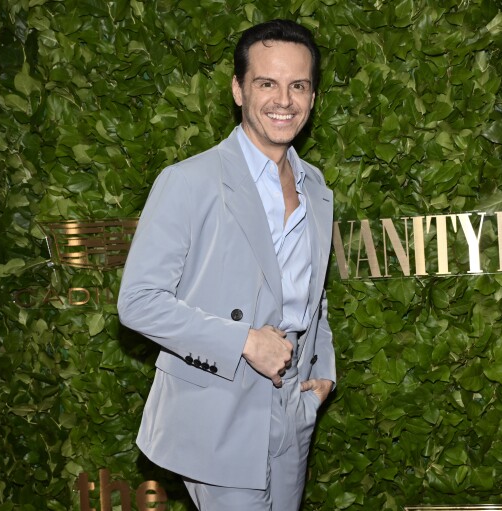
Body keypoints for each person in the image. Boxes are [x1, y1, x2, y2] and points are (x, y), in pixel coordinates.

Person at [117, 18, 335, 511]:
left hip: (293, 406)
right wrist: (244, 342)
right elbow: (138, 302)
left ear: (313, 97)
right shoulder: (189, 181)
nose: (284, 100)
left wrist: (321, 374)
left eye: (298, 85)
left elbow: (313, 291)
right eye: (266, 83)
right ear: (238, 90)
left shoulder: (316, 188)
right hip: (221, 406)